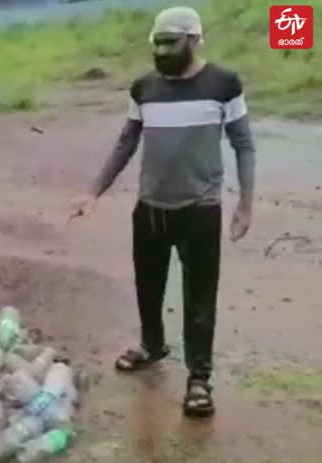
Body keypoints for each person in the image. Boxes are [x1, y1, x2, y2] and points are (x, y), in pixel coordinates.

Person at [68, 7, 256, 418]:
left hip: (200, 210)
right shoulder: (144, 88)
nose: (162, 50)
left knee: (199, 296)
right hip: (151, 208)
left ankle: (199, 378)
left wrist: (245, 203)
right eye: (157, 42)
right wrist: (93, 192)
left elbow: (243, 143)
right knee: (148, 285)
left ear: (193, 40)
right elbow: (126, 142)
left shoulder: (224, 84)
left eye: (171, 42)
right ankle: (152, 345)